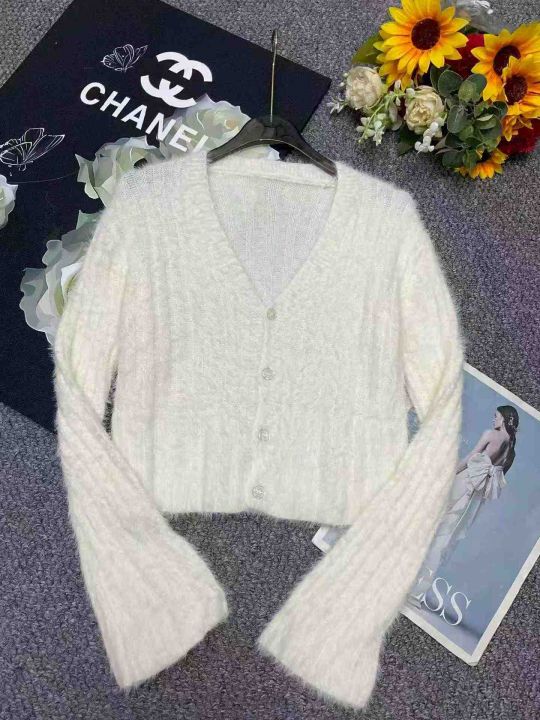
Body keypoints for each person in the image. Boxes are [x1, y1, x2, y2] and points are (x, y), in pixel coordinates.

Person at [407, 405, 519, 608]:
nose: (493, 419)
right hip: (476, 496)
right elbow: (496, 478)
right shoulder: (511, 451)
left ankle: (405, 581)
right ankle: (417, 592)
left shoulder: (490, 435)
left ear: (504, 419)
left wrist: (449, 475)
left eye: (496, 416)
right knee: (447, 539)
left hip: (464, 482)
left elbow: (470, 458)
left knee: (433, 527)